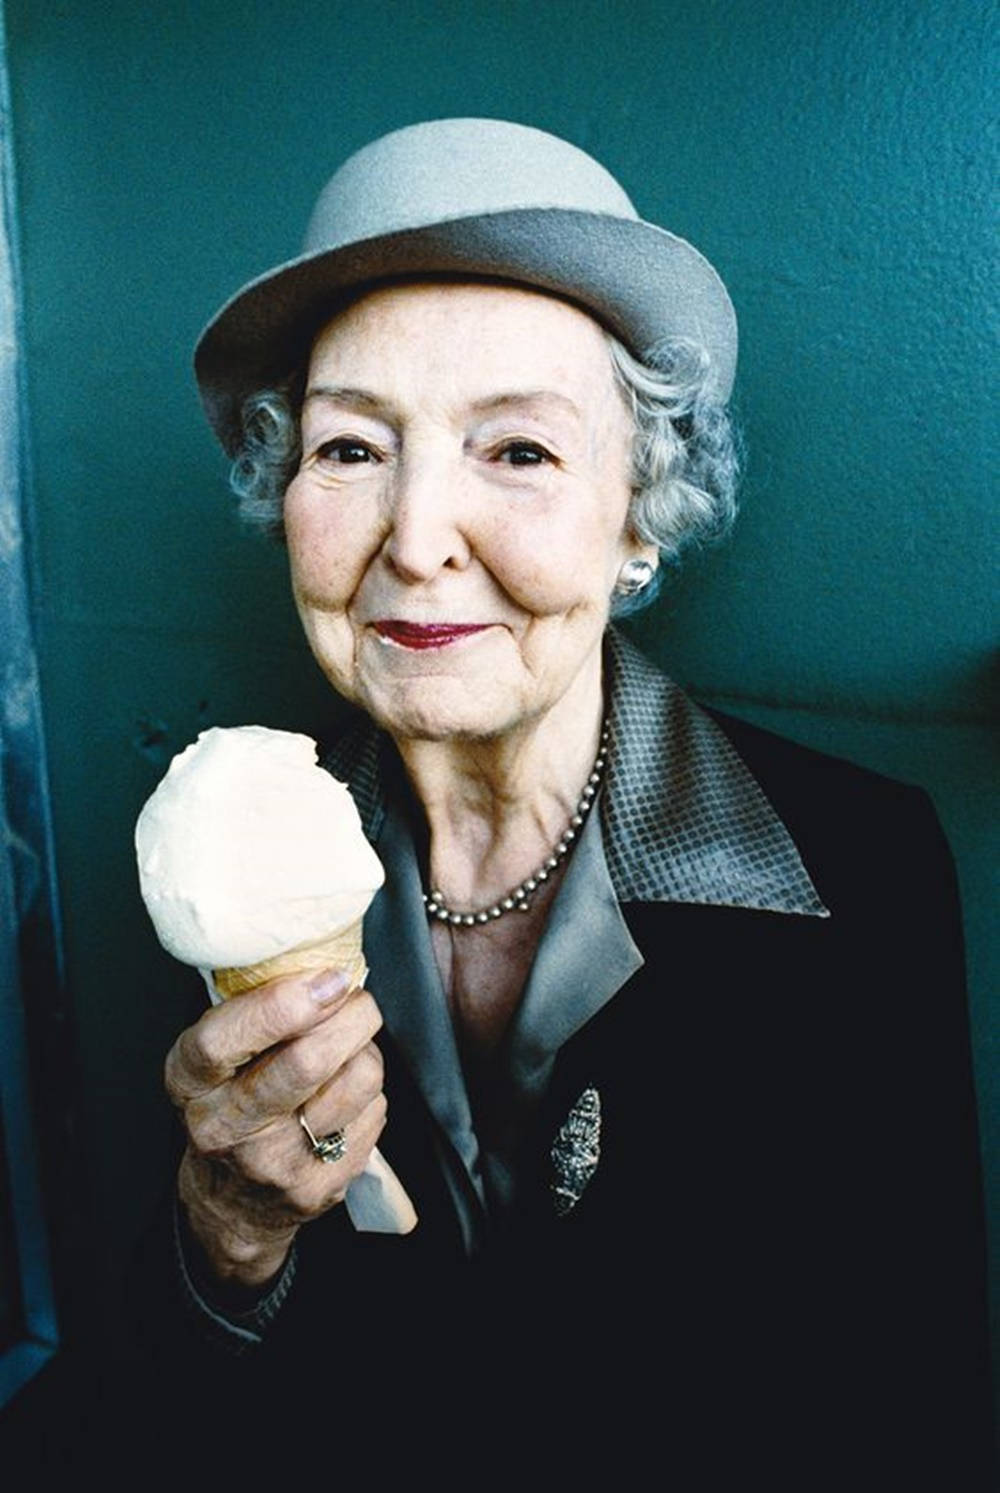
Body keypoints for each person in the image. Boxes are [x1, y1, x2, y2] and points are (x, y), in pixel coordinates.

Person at [129, 120, 992, 1482]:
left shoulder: (862, 871)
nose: (416, 539)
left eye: (518, 451)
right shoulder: (216, 868)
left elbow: (917, 1408)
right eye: (352, 449)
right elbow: (178, 1413)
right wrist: (229, 1242)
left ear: (642, 514)